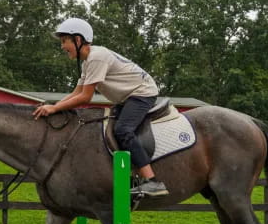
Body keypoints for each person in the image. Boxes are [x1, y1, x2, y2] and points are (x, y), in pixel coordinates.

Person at [33, 18, 168, 197]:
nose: (62, 46)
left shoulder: (96, 58)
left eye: (64, 41)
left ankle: (152, 181)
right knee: (109, 128)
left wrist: (55, 109)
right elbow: (76, 92)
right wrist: (53, 106)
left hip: (142, 93)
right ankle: (129, 175)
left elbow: (85, 97)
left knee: (123, 130)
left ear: (78, 40)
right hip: (127, 97)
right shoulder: (88, 61)